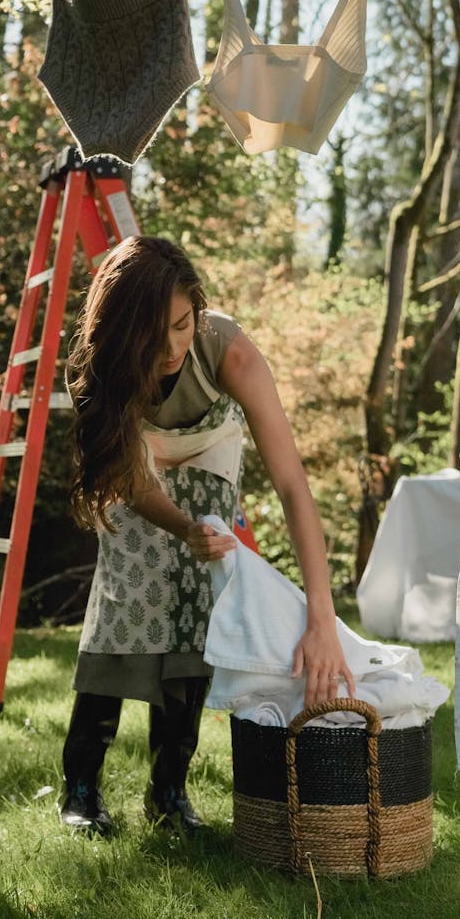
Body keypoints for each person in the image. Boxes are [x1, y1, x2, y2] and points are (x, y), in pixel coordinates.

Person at [58, 236, 354, 836]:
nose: (171, 347)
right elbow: (134, 483)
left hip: (210, 452)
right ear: (121, 330)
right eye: (154, 333)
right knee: (125, 595)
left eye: (181, 324)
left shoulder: (228, 351)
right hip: (140, 465)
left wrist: (321, 618)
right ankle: (81, 785)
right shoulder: (99, 368)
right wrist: (180, 526)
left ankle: (169, 791)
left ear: (197, 308)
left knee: (199, 606)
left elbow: (293, 485)